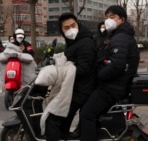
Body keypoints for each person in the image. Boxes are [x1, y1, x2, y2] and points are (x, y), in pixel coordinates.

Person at [80, 5, 140, 141]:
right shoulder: (118, 36)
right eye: (106, 17)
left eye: (112, 17)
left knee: (87, 114)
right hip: (116, 85)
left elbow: (116, 65)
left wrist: (99, 76)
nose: (108, 21)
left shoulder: (121, 38)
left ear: (122, 19)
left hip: (111, 88)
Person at [45, 12, 97, 141]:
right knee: (64, 119)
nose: (71, 29)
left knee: (52, 118)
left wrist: (60, 72)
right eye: (66, 28)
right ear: (62, 30)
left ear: (78, 24)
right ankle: (64, 136)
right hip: (76, 88)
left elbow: (83, 69)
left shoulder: (85, 43)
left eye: (73, 25)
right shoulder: (74, 42)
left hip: (82, 90)